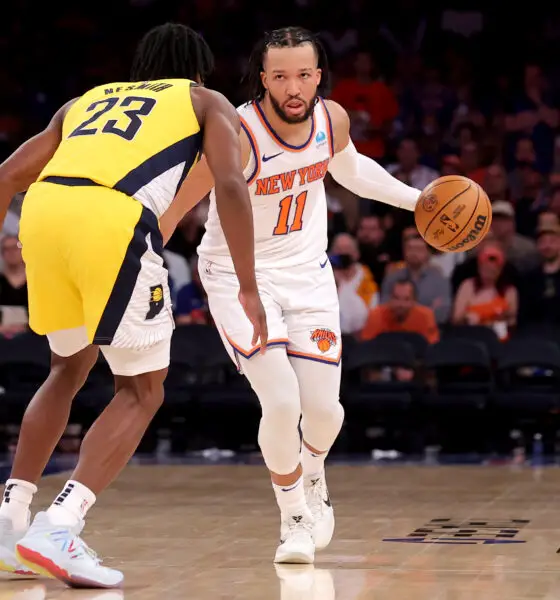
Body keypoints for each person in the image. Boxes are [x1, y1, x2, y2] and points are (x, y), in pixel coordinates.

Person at [0, 23, 266, 588]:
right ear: (197, 69)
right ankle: (58, 525)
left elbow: (6, 177)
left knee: (67, 368)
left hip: (43, 214)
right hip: (112, 221)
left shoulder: (85, 101)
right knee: (143, 389)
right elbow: (231, 183)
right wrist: (247, 284)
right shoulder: (203, 99)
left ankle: (8, 522)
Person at [160, 26, 421, 564]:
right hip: (237, 276)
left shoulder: (333, 119)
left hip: (308, 273)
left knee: (325, 413)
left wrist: (418, 200)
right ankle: (293, 516)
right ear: (263, 79)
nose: (293, 87)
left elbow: (352, 172)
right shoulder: (235, 131)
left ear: (318, 76)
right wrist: (139, 253)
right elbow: (180, 200)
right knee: (281, 401)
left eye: (303, 74)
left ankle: (313, 471)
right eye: (280, 76)